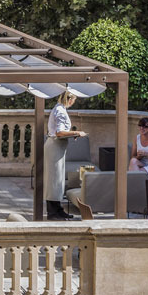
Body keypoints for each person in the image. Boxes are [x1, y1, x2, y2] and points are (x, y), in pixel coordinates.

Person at [44, 91, 87, 220]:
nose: (73, 102)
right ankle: (52, 213)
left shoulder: (60, 109)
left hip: (57, 147)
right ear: (70, 99)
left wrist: (72, 135)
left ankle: (58, 210)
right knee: (53, 181)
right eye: (74, 100)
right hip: (55, 147)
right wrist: (76, 132)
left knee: (57, 181)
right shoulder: (60, 111)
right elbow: (59, 132)